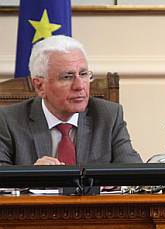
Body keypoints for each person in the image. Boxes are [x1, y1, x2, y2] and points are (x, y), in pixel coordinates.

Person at [0, 35, 142, 165]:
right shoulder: (8, 121)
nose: (79, 86)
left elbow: (135, 174)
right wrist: (32, 177)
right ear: (40, 86)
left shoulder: (108, 116)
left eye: (83, 74)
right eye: (67, 77)